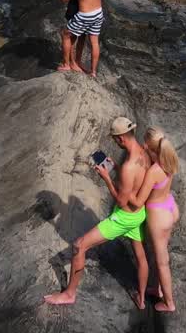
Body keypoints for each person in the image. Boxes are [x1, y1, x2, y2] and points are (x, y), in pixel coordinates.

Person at [44, 116, 151, 308]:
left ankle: (69, 294)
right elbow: (134, 181)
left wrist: (106, 178)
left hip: (124, 218)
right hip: (139, 214)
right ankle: (142, 300)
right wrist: (115, 167)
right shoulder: (143, 153)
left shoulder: (128, 166)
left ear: (120, 139)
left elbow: (120, 199)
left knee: (79, 246)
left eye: (114, 139)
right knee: (141, 257)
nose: (115, 143)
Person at [137, 126, 180, 313]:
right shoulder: (169, 159)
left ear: (147, 146)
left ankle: (169, 303)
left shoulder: (154, 170)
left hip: (158, 216)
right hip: (170, 207)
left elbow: (140, 199)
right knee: (162, 254)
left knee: (162, 262)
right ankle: (159, 288)